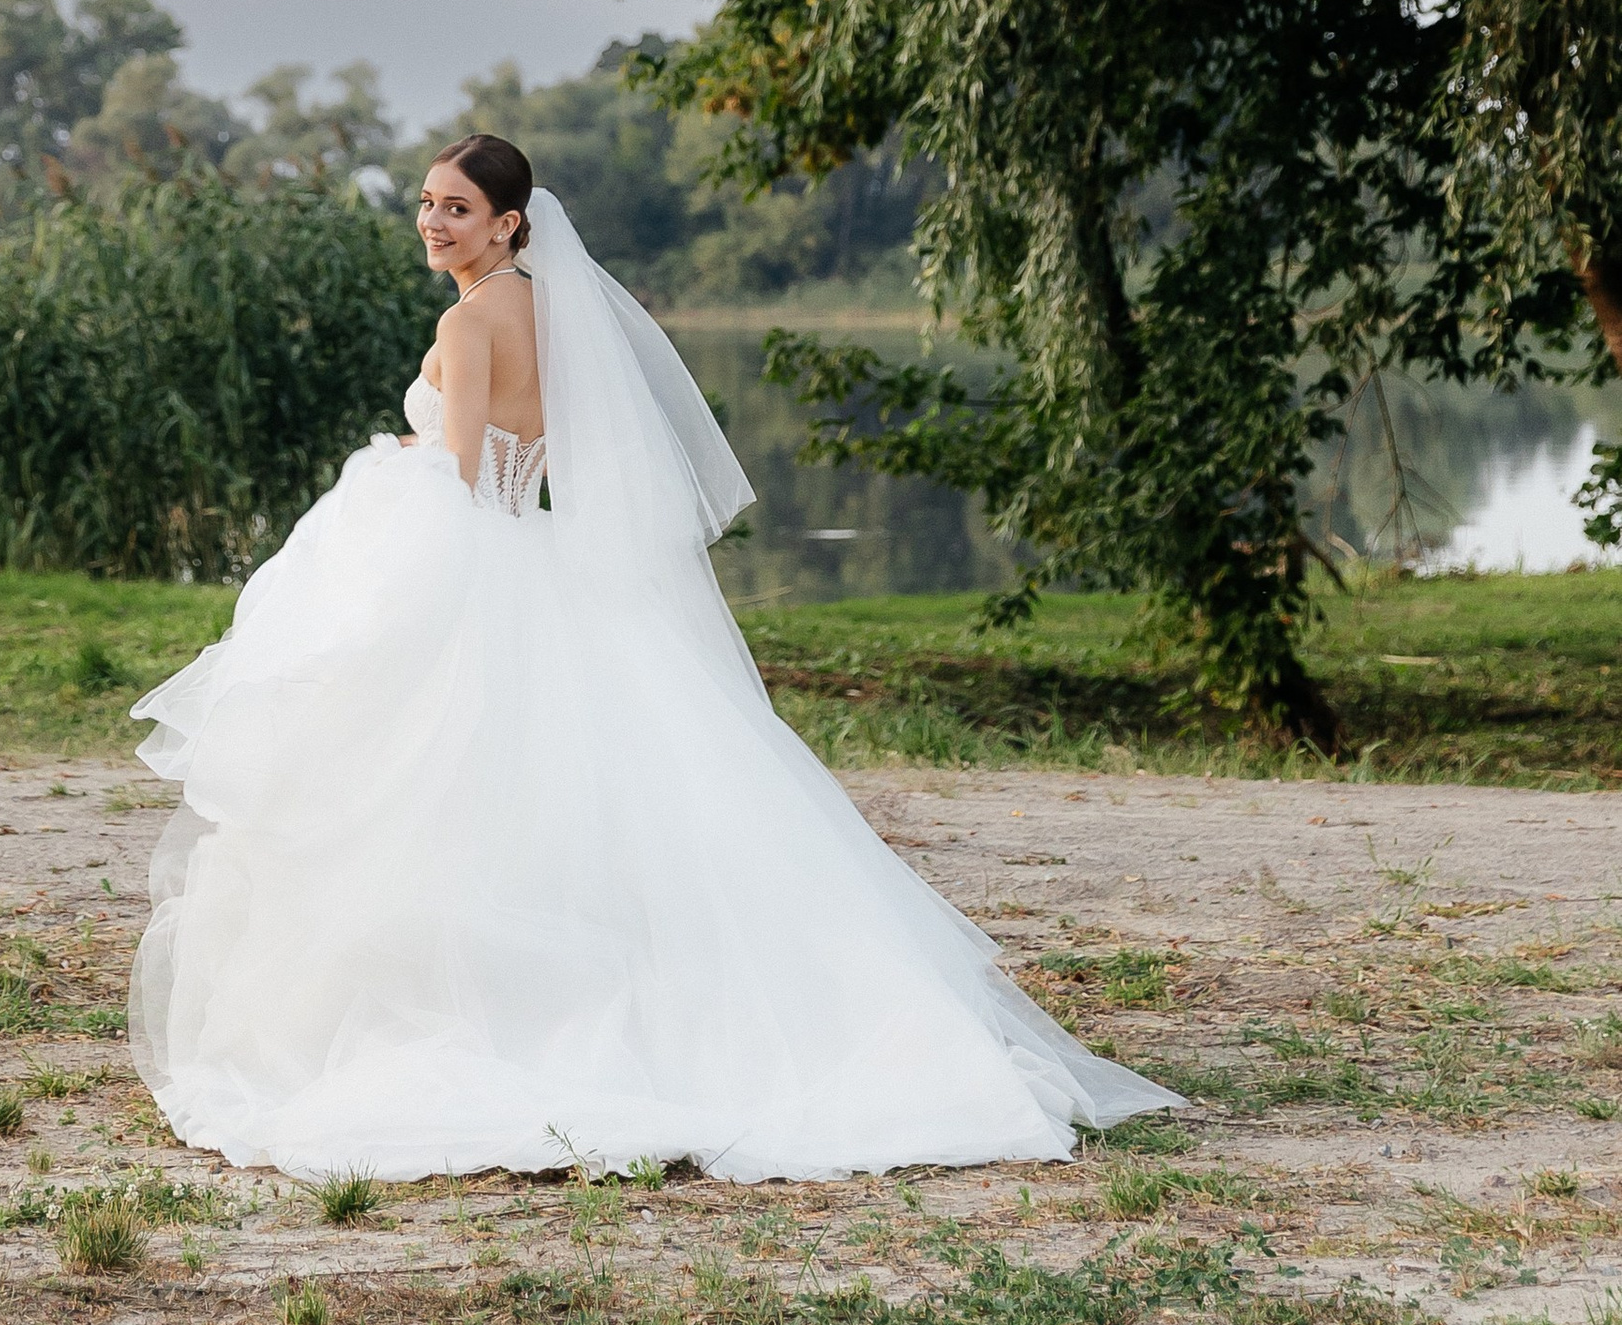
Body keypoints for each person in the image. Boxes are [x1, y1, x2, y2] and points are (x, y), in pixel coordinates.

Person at [128, 133, 1175, 1181]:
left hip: (480, 558)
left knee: (432, 790)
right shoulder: (552, 311)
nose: (433, 221)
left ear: (508, 223)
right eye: (427, 202)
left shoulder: (468, 317)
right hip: (537, 556)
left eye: (457, 208)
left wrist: (383, 477)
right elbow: (527, 457)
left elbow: (461, 476)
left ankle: (483, 1016)